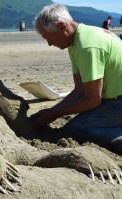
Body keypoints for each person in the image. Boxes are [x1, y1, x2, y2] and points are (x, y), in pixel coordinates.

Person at [31, 3, 122, 153]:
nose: (49, 43)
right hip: (113, 98)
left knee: (75, 130)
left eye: (49, 37)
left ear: (61, 26)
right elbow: (80, 90)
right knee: (76, 125)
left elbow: (93, 100)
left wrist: (55, 114)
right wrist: (52, 111)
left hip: (118, 101)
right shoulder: (76, 41)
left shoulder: (87, 46)